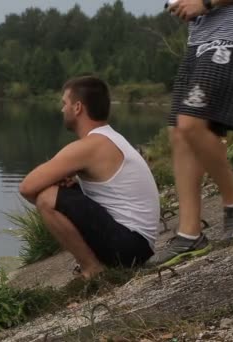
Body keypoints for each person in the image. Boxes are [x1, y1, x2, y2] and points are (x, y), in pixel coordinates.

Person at [148, 0, 233, 267]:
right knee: (178, 132)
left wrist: (205, 3)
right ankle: (190, 234)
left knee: (191, 123)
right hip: (201, 39)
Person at [18, 76, 160, 279]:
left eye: (64, 103)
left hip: (130, 246)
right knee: (59, 193)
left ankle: (93, 270)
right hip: (137, 244)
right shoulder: (110, 137)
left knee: (47, 197)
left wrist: (62, 198)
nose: (62, 109)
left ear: (77, 108)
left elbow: (27, 187)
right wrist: (73, 190)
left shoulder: (91, 145)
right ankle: (97, 264)